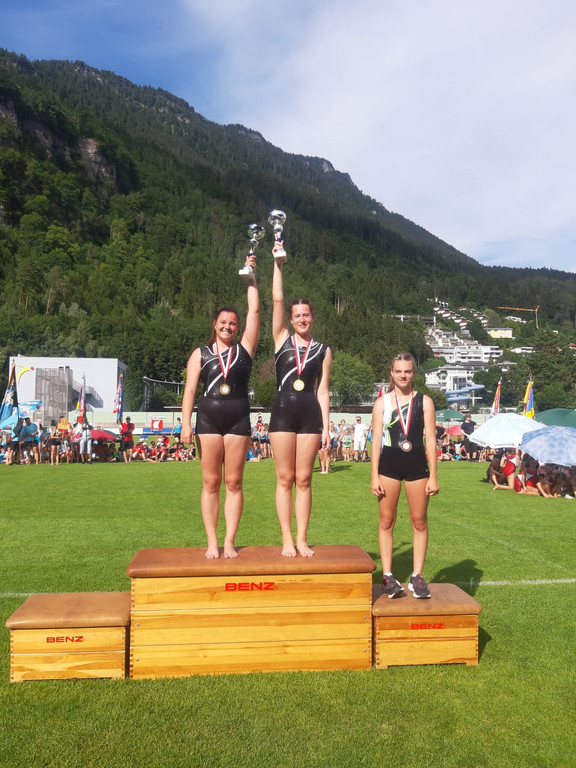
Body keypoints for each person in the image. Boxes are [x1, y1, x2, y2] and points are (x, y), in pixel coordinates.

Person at [181, 253, 259, 559]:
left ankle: (229, 541)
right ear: (214, 325)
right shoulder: (200, 354)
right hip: (208, 420)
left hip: (238, 420)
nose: (228, 327)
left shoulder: (245, 349)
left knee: (234, 481)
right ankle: (212, 541)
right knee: (211, 481)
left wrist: (252, 278)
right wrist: (185, 424)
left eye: (233, 323)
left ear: (238, 328)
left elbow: (255, 310)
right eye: (223, 322)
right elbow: (190, 390)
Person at [268, 240, 332, 557]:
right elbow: (277, 300)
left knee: (304, 479)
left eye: (306, 315)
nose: (302, 319)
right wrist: (278, 265)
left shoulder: (323, 350)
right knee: (285, 477)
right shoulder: (281, 338)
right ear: (291, 320)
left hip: (309, 415)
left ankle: (303, 538)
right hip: (282, 412)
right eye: (297, 315)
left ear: (312, 317)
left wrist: (327, 427)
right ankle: (286, 538)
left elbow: (323, 390)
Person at [370, 352, 438, 599]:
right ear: (392, 373)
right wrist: (374, 475)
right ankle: (388, 575)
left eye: (407, 371)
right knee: (386, 521)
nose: (403, 375)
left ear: (413, 373)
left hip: (417, 465)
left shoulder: (425, 402)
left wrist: (433, 475)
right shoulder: (382, 403)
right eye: (398, 371)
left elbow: (431, 439)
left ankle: (417, 576)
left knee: (419, 521)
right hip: (388, 464)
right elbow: (376, 440)